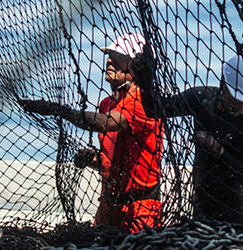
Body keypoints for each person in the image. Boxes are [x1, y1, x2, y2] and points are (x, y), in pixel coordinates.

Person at [20, 32, 164, 232]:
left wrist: (61, 111)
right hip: (108, 207)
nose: (109, 61)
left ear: (136, 66)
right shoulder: (107, 104)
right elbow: (116, 158)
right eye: (109, 56)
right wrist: (95, 160)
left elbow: (107, 123)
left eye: (117, 57)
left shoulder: (143, 102)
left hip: (140, 211)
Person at [135, 50, 243, 226]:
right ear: (223, 85)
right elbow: (156, 109)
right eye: (236, 98)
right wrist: (145, 79)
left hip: (234, 214)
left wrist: (220, 151)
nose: (240, 105)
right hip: (201, 206)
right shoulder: (202, 98)